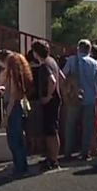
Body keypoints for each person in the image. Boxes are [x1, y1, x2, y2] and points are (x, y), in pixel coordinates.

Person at [63, 40, 97, 161]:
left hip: (74, 97)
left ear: (78, 48)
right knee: (88, 126)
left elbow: (64, 75)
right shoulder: (95, 63)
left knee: (70, 125)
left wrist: (66, 90)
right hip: (90, 98)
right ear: (89, 50)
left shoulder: (71, 60)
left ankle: (68, 152)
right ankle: (84, 152)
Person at [32, 40, 63, 171]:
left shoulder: (45, 65)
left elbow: (53, 80)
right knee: (52, 129)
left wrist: (48, 95)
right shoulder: (52, 61)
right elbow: (62, 77)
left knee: (51, 131)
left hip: (50, 100)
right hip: (55, 99)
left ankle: (53, 159)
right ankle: (51, 157)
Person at [4, 52, 34, 176]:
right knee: (19, 138)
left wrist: (6, 116)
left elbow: (12, 97)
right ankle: (22, 166)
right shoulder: (23, 76)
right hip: (20, 107)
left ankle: (19, 167)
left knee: (13, 139)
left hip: (14, 108)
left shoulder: (12, 76)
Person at [25, 50, 43, 155]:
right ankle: (39, 144)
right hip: (39, 98)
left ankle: (32, 145)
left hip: (29, 98)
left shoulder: (27, 69)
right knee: (39, 122)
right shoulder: (41, 68)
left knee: (30, 124)